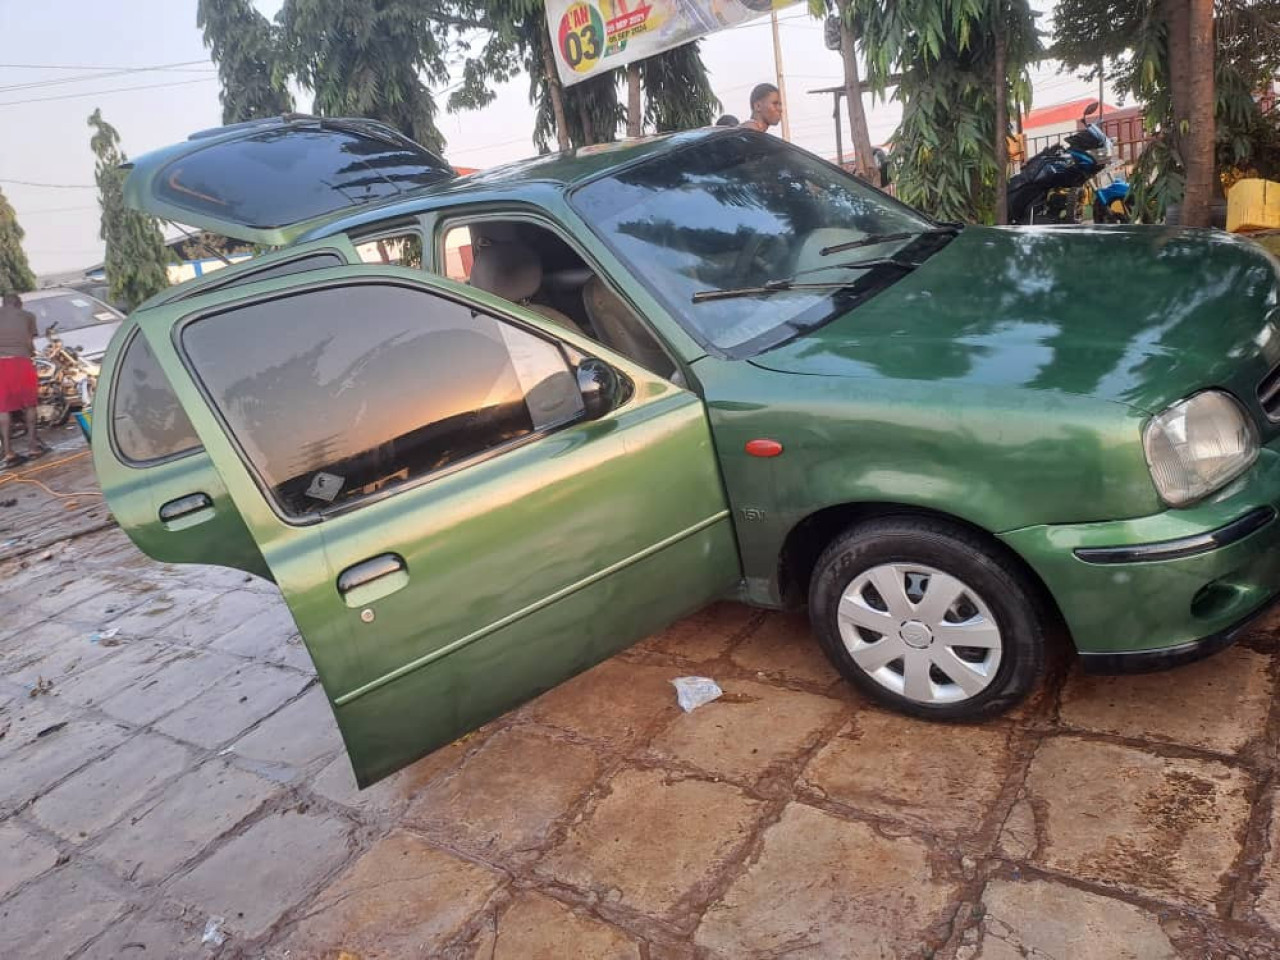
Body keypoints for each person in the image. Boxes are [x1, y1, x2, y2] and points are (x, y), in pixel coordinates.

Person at [0, 292, 48, 467]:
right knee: (30, 404)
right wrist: (32, 352)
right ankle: (33, 446)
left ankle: (8, 452)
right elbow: (29, 342)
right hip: (21, 362)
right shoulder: (28, 316)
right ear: (19, 304)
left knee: (3, 408)